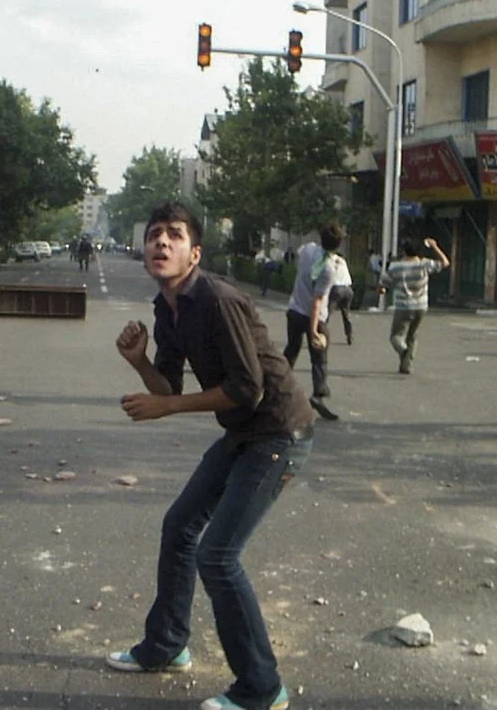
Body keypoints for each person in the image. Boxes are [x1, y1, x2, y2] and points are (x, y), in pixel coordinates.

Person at [106, 202, 313, 710]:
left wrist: (166, 407)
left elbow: (248, 389)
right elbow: (168, 383)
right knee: (180, 526)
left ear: (194, 253)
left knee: (217, 556)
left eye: (174, 235)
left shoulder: (218, 300)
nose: (161, 242)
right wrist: (140, 363)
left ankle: (262, 688)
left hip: (278, 433)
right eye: (155, 235)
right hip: (244, 435)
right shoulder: (168, 307)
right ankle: (166, 646)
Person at [283, 222, 344, 421]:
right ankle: (318, 394)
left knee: (291, 349)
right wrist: (314, 331)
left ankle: (276, 385)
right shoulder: (329, 269)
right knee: (319, 358)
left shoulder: (307, 250)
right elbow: (317, 302)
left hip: (294, 309)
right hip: (313, 317)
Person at [378, 237, 450, 374]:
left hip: (403, 306)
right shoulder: (424, 264)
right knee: (412, 336)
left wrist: (382, 290)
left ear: (404, 251)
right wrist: (435, 246)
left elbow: (383, 285)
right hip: (421, 306)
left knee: (396, 336)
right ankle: (406, 366)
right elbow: (445, 262)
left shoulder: (396, 267)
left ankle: (404, 352)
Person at [328, 253, 354, 345]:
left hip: (337, 288)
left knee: (327, 313)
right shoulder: (343, 261)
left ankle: (321, 334)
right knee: (346, 313)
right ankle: (349, 335)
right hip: (348, 289)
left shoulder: (329, 260)